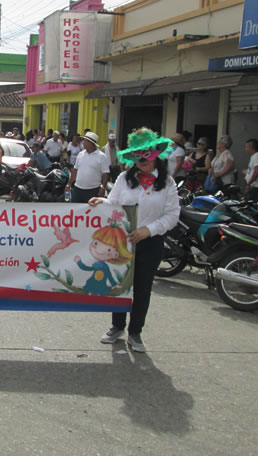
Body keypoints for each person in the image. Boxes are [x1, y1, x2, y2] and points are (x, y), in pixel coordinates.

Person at [89, 127, 180, 353]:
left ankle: (136, 331)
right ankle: (116, 326)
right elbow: (114, 203)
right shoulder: (124, 178)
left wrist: (149, 230)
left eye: (147, 154)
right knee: (120, 284)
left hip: (150, 243)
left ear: (156, 154)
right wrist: (101, 202)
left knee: (142, 288)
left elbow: (172, 215)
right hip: (122, 242)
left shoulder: (167, 183)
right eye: (138, 156)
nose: (143, 160)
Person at [66, 131, 109, 203]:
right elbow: (75, 170)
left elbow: (105, 174)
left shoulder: (102, 156)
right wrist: (69, 183)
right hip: (78, 189)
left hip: (93, 190)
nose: (83, 143)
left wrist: (103, 187)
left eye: (85, 141)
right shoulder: (80, 154)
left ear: (91, 143)